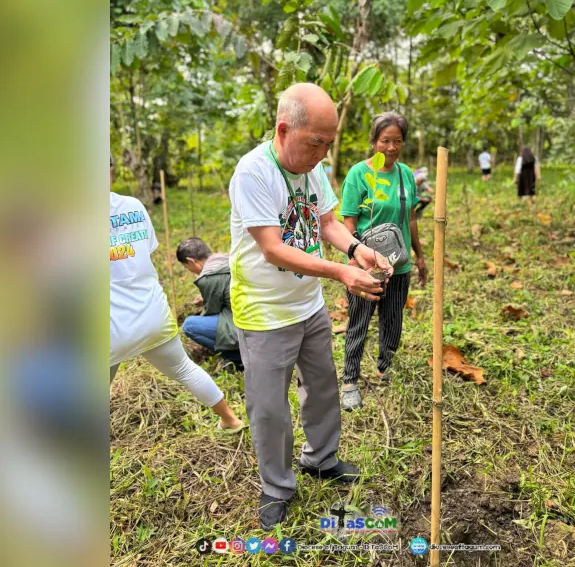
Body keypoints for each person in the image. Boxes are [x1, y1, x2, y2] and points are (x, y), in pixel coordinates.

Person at [228, 83, 393, 529]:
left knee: (322, 388)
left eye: (328, 144)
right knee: (269, 408)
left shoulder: (313, 170)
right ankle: (277, 487)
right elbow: (274, 249)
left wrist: (356, 250)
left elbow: (327, 223)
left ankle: (321, 459)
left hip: (308, 306)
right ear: (284, 130)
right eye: (315, 142)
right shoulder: (253, 173)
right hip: (264, 311)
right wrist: (341, 273)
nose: (322, 154)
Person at [110, 157, 245, 434]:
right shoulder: (133, 206)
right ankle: (231, 420)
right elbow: (144, 253)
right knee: (184, 369)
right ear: (110, 172)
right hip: (152, 314)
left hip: (111, 325)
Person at [338, 112, 428, 411]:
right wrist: (352, 259)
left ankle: (383, 368)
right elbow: (348, 222)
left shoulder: (405, 174)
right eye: (385, 141)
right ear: (374, 141)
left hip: (399, 263)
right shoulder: (358, 174)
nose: (391, 147)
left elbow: (410, 218)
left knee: (393, 320)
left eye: (397, 141)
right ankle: (350, 379)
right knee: (359, 321)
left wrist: (419, 254)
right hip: (369, 265)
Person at [176, 237, 243, 371]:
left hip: (241, 326)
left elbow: (212, 311)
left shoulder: (209, 276)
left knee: (190, 325)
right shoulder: (225, 258)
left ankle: (236, 357)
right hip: (256, 315)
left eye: (186, 267)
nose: (189, 270)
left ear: (191, 261)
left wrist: (204, 304)